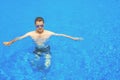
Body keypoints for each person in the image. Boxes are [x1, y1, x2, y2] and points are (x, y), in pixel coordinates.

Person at [3, 17, 83, 69]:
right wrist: (10, 42)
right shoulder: (31, 34)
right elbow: (19, 38)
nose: (40, 27)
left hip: (46, 50)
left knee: (47, 66)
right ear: (35, 25)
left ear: (44, 25)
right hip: (37, 50)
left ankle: (44, 76)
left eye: (41, 25)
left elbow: (61, 35)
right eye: (38, 26)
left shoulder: (48, 33)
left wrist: (73, 38)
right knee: (34, 65)